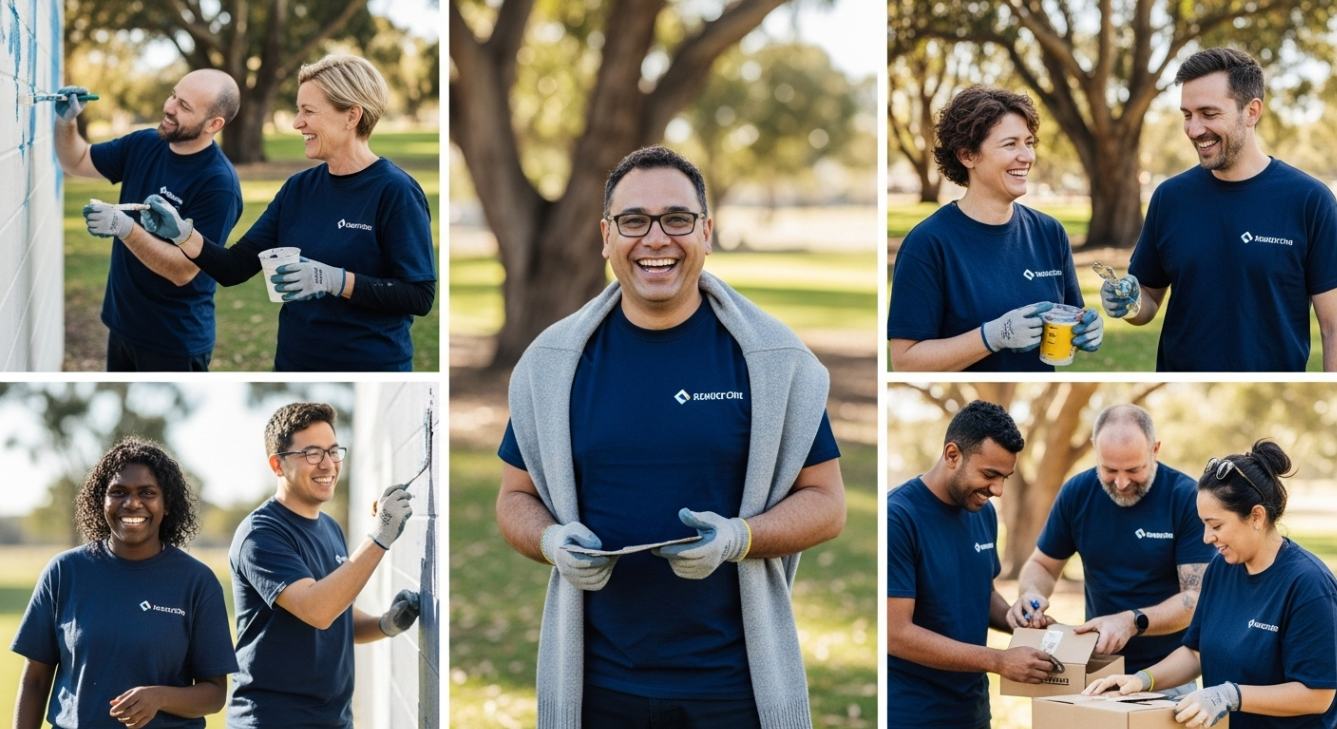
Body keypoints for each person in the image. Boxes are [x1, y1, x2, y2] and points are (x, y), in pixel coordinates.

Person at [495, 145, 845, 728]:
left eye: (677, 220)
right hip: (596, 689)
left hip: (737, 691)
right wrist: (552, 541)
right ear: (606, 235)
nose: (656, 239)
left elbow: (828, 504)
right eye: (634, 221)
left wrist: (740, 537)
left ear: (706, 232)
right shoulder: (552, 364)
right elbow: (514, 498)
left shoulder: (773, 360)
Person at [140, 54, 436, 372]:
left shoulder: (395, 191)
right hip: (294, 363)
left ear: (351, 116)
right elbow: (234, 267)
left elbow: (418, 295)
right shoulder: (298, 188)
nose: (297, 122)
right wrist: (183, 234)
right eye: (298, 110)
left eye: (308, 111)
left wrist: (334, 280)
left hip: (369, 367)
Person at [1102, 48, 1337, 371]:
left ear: (1252, 111)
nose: (1194, 130)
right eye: (1187, 115)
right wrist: (1128, 302)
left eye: (1209, 114)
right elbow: (1149, 298)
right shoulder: (1169, 198)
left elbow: (1333, 326)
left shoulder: (1310, 200)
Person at [1085, 440, 1337, 727]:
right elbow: (1196, 653)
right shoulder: (1221, 568)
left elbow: (1318, 694)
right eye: (1203, 524)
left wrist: (1232, 695)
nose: (1206, 538)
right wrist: (1143, 680)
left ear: (1256, 516)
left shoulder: (1309, 585)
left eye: (1216, 525)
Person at [12, 438, 237, 729]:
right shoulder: (64, 572)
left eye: (147, 492)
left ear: (166, 504)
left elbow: (215, 693)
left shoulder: (197, 582)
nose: (132, 503)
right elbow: (35, 680)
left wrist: (160, 697)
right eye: (118, 492)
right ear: (101, 502)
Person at [227, 402, 422, 727]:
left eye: (333, 451)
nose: (328, 464)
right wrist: (380, 536)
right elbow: (317, 609)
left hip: (334, 720)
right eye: (312, 454)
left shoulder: (330, 527)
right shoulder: (259, 534)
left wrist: (385, 624)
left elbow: (337, 612)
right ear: (277, 464)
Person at [887, 86, 1102, 372]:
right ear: (967, 155)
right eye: (1010, 144)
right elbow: (905, 361)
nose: (1026, 156)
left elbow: (1068, 317)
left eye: (1029, 142)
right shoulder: (928, 243)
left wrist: (1087, 328)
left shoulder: (1050, 233)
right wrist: (993, 336)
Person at [1006, 404, 1215, 696]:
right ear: (1095, 450)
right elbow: (1042, 565)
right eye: (1109, 469)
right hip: (1096, 671)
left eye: (1134, 469)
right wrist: (1031, 593)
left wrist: (1131, 622)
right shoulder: (1076, 493)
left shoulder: (1184, 498)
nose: (1121, 482)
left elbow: (1196, 600)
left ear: (1155, 449)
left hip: (1167, 675)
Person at [57, 70, 243, 371]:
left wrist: (125, 228)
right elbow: (75, 160)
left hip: (173, 343)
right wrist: (66, 121)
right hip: (122, 325)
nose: (169, 107)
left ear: (214, 124)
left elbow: (182, 271)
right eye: (173, 95)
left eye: (185, 106)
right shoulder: (145, 143)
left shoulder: (219, 185)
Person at [887, 400, 1055, 729]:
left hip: (973, 710)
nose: (998, 490)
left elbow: (981, 590)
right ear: (952, 455)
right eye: (990, 475)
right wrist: (998, 660)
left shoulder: (983, 512)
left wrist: (1015, 618)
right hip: (912, 714)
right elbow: (896, 633)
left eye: (1005, 477)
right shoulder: (899, 517)